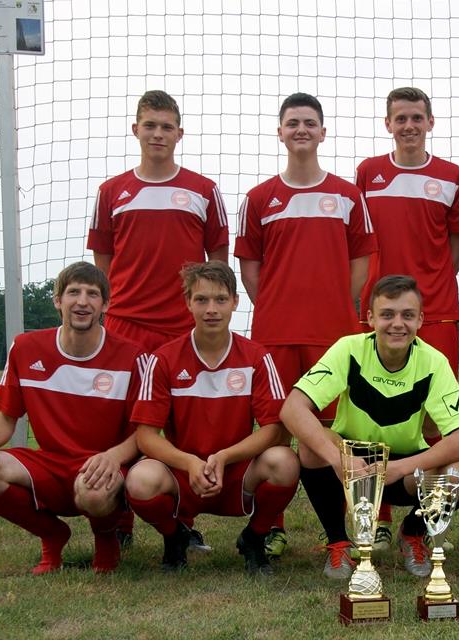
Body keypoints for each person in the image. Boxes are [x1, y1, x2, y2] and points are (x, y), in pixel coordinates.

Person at [235, 92, 378, 557]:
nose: (301, 129)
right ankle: (271, 526)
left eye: (309, 122)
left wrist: (338, 303)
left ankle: (339, 532)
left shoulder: (346, 195)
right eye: (292, 122)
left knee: (331, 434)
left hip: (332, 335)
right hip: (275, 334)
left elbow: (361, 260)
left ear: (322, 131)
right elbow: (251, 269)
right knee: (274, 429)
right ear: (280, 132)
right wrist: (275, 306)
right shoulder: (259, 198)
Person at [87, 89, 230, 551]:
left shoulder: (203, 189)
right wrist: (108, 314)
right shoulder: (112, 191)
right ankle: (120, 521)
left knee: (180, 428)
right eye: (150, 125)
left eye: (166, 126)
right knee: (121, 423)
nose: (158, 134)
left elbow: (219, 258)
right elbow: (102, 259)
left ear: (179, 133)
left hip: (180, 329)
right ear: (136, 130)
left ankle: (182, 521)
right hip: (127, 325)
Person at [280, 275, 459, 579]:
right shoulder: (349, 349)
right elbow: (292, 409)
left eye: (407, 315)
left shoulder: (433, 362)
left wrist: (400, 468)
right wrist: (339, 460)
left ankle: (412, 533)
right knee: (311, 446)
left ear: (420, 320)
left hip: (405, 467)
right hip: (352, 461)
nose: (397, 323)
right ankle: (338, 541)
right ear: (370, 318)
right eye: (387, 314)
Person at [0, 262, 144, 574]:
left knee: (94, 490)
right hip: (50, 462)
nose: (82, 301)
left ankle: (106, 537)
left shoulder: (132, 356)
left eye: (92, 294)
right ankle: (52, 534)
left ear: (105, 305)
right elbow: (6, 418)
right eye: (73, 292)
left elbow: (144, 433)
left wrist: (112, 457)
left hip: (101, 465)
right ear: (58, 300)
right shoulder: (26, 347)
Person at [124, 262, 299, 574]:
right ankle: (174, 537)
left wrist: (224, 456)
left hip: (236, 471)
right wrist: (190, 462)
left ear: (235, 302)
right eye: (201, 299)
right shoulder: (163, 359)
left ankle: (255, 538)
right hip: (182, 472)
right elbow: (146, 436)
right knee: (140, 479)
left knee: (284, 461)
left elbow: (273, 428)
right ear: (188, 303)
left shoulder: (257, 357)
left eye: (220, 299)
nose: (211, 309)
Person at [354, 86, 459, 550]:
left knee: (439, 423)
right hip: (381, 315)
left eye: (416, 117)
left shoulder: (452, 176)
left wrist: (428, 297)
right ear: (388, 124)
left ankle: (420, 529)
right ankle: (377, 517)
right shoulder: (368, 172)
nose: (409, 126)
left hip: (435, 313)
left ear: (431, 122)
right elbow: (358, 239)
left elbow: (455, 249)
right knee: (374, 417)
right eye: (400, 118)